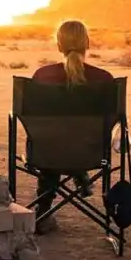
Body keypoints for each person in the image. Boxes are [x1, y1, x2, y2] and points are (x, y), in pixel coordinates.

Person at [29, 19, 113, 230]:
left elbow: (34, 118)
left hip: (45, 154)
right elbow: (113, 120)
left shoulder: (42, 77)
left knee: (53, 140)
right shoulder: (104, 79)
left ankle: (43, 210)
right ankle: (79, 173)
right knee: (71, 139)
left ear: (59, 45)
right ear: (87, 43)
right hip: (91, 154)